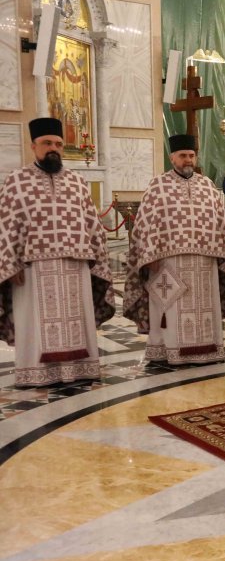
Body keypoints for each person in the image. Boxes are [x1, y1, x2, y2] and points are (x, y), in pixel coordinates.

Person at [0, 117, 115, 386]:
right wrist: (10, 264)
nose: (53, 148)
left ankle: (79, 369)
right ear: (33, 146)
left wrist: (97, 261)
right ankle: (35, 372)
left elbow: (92, 224)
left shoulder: (77, 182)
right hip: (32, 270)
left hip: (75, 265)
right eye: (47, 143)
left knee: (76, 318)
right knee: (35, 322)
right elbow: (6, 225)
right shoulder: (16, 181)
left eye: (58, 144)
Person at [124, 134, 225, 365]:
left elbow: (220, 222)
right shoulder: (158, 186)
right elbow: (145, 223)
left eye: (191, 155)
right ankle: (168, 350)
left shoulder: (207, 186)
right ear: (172, 158)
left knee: (204, 307)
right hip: (168, 262)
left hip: (205, 261)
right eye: (183, 156)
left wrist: (224, 256)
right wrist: (149, 255)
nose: (188, 160)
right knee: (170, 307)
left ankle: (207, 348)